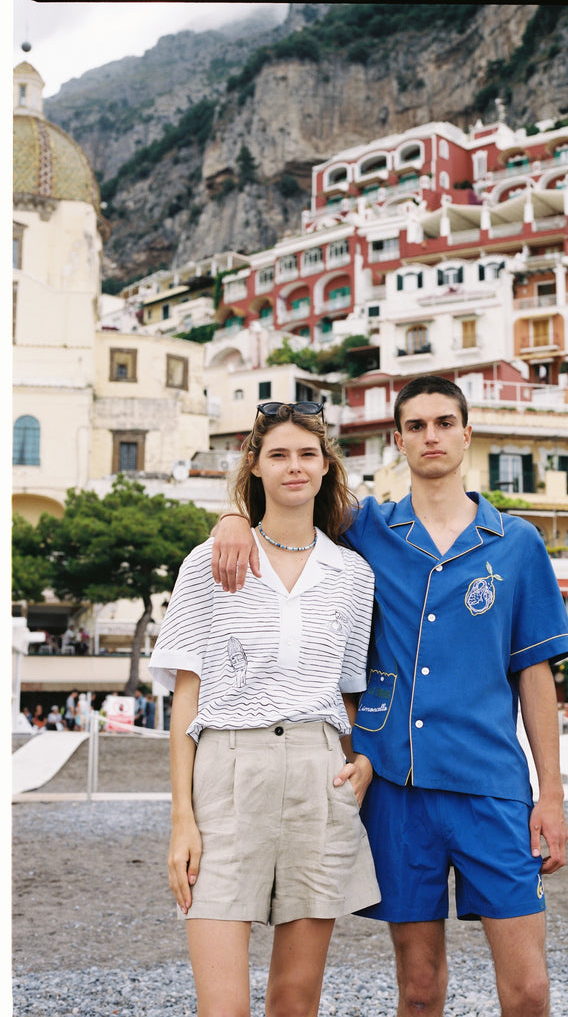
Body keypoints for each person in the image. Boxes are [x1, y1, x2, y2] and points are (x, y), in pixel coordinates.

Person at [212, 377, 568, 1017]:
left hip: (492, 784)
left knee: (529, 991)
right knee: (417, 987)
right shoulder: (368, 529)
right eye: (416, 426)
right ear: (398, 439)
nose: (431, 436)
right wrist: (233, 517)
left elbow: (535, 672)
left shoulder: (516, 544)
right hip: (396, 789)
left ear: (467, 433)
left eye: (444, 423)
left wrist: (550, 792)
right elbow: (291, 497)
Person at [149, 401, 380, 1017]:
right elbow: (186, 698)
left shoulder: (354, 575)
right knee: (222, 1007)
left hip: (318, 772)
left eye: (308, 454)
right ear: (253, 466)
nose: (294, 467)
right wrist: (182, 820)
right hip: (226, 770)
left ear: (327, 466)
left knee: (295, 1001)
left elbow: (350, 691)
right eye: (278, 454)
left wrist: (363, 761)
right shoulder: (210, 560)